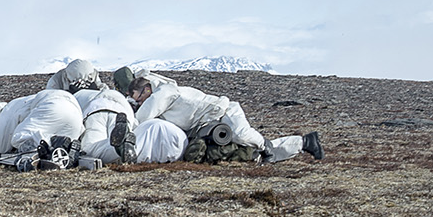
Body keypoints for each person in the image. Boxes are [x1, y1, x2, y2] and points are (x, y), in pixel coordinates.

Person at [129, 77, 322, 164]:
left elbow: (143, 118)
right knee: (244, 152)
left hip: (224, 112)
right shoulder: (163, 96)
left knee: (242, 135)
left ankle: (267, 149)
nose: (140, 102)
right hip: (208, 125)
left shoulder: (162, 94)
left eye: (138, 97)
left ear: (146, 89)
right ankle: (304, 143)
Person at [0, 89, 87, 169]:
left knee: (19, 138)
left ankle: (44, 150)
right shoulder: (22, 102)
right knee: (52, 138)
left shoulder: (5, 112)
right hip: (76, 113)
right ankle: (64, 151)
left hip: (53, 106)